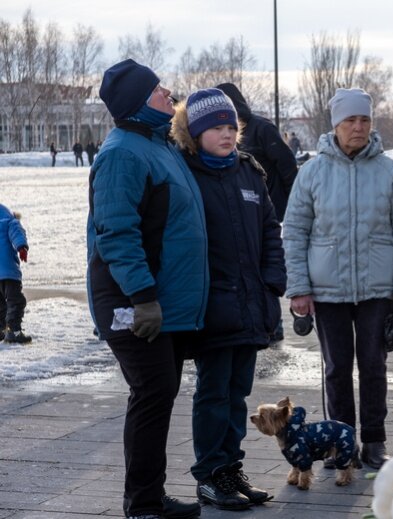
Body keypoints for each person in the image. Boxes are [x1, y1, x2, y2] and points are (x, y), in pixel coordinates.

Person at [87, 58, 208, 519]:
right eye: (158, 90)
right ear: (139, 103)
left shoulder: (159, 146)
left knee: (159, 393)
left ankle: (150, 497)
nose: (168, 93)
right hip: (132, 301)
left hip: (161, 300)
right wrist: (142, 298)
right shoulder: (122, 153)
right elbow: (116, 233)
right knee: (153, 391)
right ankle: (141, 504)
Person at [283, 87, 393, 470]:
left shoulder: (391, 174)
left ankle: (374, 442)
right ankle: (338, 441)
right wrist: (298, 288)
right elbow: (294, 232)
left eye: (364, 120)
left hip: (378, 290)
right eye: (351, 120)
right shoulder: (311, 173)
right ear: (336, 125)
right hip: (327, 290)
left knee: (374, 365)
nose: (358, 127)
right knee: (336, 367)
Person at [170, 88, 286, 511]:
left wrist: (273, 282)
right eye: (215, 128)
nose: (225, 134)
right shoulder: (185, 174)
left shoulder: (248, 172)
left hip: (251, 303)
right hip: (210, 307)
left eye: (230, 127)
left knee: (238, 392)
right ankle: (209, 475)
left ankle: (230, 468)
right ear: (195, 133)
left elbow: (270, 231)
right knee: (213, 392)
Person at [216, 82, 297, 343]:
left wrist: (292, 205)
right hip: (240, 212)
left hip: (268, 207)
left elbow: (287, 166)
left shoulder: (262, 129)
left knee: (266, 263)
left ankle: (274, 324)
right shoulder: (219, 135)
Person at [0, 205, 31, 344]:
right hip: (8, 272)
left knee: (1, 304)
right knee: (16, 301)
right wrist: (21, 246)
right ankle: (13, 331)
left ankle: (2, 330)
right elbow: (16, 231)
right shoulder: (8, 218)